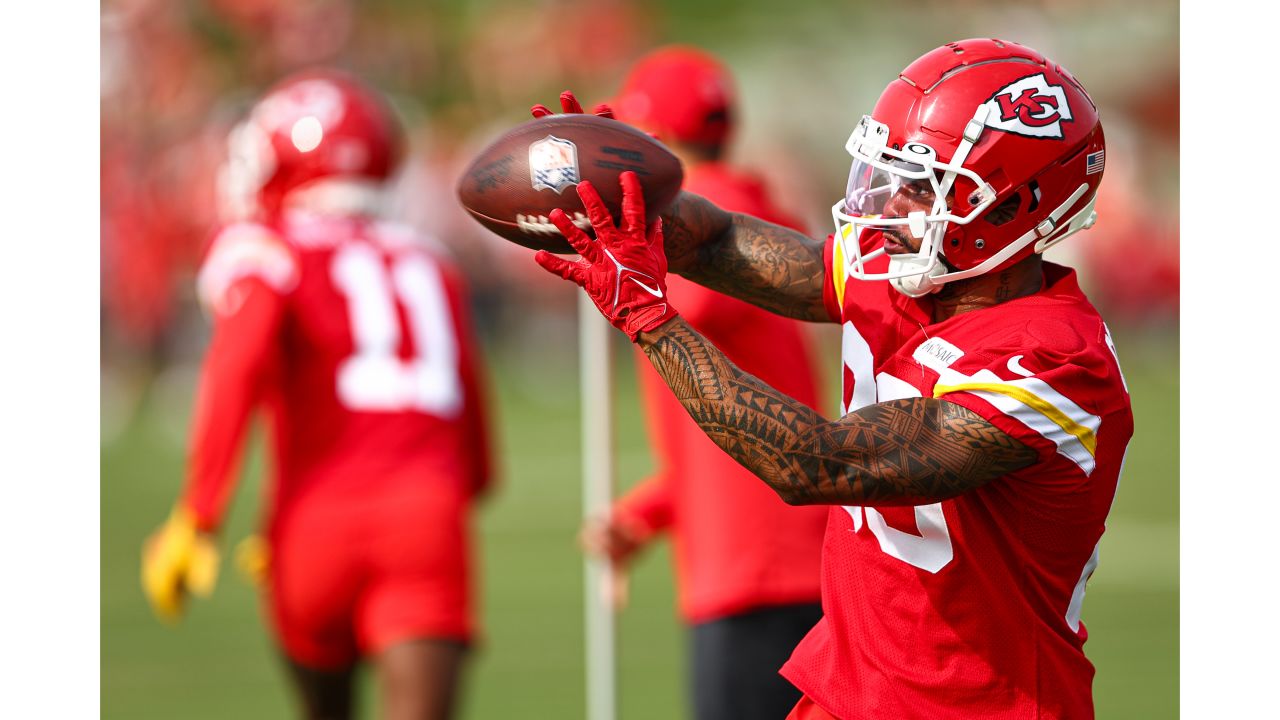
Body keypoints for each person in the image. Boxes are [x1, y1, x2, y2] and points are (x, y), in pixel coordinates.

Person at [532, 38, 1132, 719]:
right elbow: (722, 242)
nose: (893, 202)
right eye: (893, 173)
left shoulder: (1054, 360)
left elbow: (817, 462)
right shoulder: (906, 271)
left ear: (1009, 206)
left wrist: (649, 317)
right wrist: (626, 194)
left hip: (974, 705)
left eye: (922, 183)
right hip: (849, 691)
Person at [141, 69, 494, 720]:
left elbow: (236, 364)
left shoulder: (266, 250)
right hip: (428, 516)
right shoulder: (428, 259)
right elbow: (474, 442)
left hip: (314, 520)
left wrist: (201, 510)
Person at [572, 47, 829, 720]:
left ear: (649, 140)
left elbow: (696, 305)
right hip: (765, 554)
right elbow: (719, 428)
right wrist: (646, 514)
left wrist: (605, 234)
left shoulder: (713, 211)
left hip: (762, 573)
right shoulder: (750, 202)